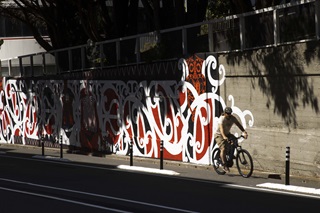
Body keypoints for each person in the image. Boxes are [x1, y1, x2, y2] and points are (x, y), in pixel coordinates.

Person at [214, 106, 248, 172]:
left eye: (230, 113)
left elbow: (238, 125)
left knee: (234, 140)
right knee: (223, 148)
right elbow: (221, 129)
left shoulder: (232, 118)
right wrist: (223, 136)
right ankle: (224, 165)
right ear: (224, 113)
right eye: (227, 113)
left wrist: (244, 132)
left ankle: (230, 155)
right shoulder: (222, 119)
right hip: (219, 135)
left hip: (227, 134)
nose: (229, 115)